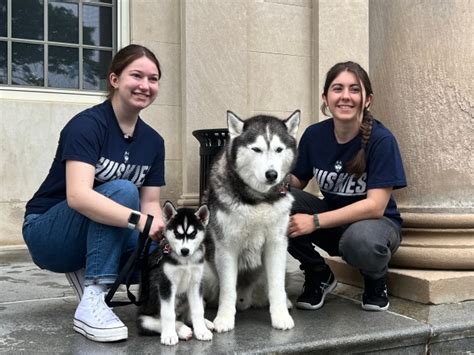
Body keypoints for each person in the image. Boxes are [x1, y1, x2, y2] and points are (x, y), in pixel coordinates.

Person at [22, 44, 165, 342]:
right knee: (123, 191)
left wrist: (164, 237)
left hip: (97, 229)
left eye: (153, 79)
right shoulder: (87, 126)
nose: (145, 85)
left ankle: (93, 270)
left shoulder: (154, 142)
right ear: (114, 80)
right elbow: (78, 196)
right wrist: (139, 220)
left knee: (160, 248)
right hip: (48, 231)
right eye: (136, 75)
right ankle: (93, 299)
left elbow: (151, 202)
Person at [287, 61, 406, 312]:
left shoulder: (381, 140)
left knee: (361, 240)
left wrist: (315, 221)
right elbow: (296, 181)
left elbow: (375, 207)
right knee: (275, 204)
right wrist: (269, 172)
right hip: (334, 224)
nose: (345, 96)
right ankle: (318, 272)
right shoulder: (314, 135)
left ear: (367, 99)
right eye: (337, 88)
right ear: (326, 98)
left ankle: (375, 281)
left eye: (354, 89)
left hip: (376, 228)